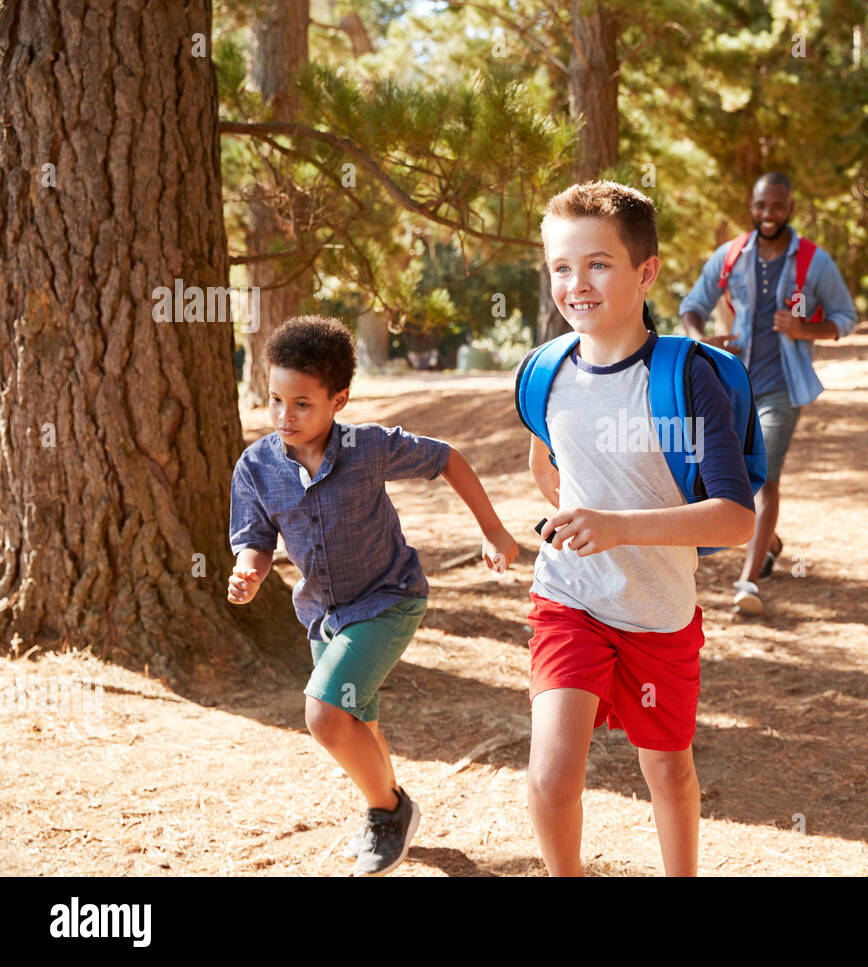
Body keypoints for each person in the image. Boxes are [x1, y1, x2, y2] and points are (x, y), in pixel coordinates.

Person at [227, 315, 519, 876]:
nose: (285, 416)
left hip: (388, 600)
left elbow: (446, 459)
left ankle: (388, 811)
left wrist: (493, 529)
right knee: (360, 723)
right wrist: (250, 572)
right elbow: (256, 540)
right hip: (323, 617)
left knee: (324, 715)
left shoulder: (369, 448)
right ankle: (390, 810)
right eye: (275, 400)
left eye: (303, 404)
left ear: (339, 399)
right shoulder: (257, 466)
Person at [522, 181, 756, 875]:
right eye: (561, 267)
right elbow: (545, 460)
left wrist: (618, 524)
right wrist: (572, 521)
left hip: (659, 613)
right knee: (553, 774)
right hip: (570, 599)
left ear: (645, 271)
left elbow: (737, 517)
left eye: (598, 264)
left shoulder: (687, 379)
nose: (576, 284)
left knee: (668, 773)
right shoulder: (544, 371)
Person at [679, 172, 857, 616]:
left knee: (766, 479)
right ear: (751, 206)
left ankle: (748, 581)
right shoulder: (731, 255)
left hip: (782, 387)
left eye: (777, 207)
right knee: (720, 474)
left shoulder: (814, 262)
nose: (768, 215)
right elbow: (692, 307)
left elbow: (845, 317)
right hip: (731, 385)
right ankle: (770, 541)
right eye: (761, 206)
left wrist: (806, 329)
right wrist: (701, 341)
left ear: (790, 208)